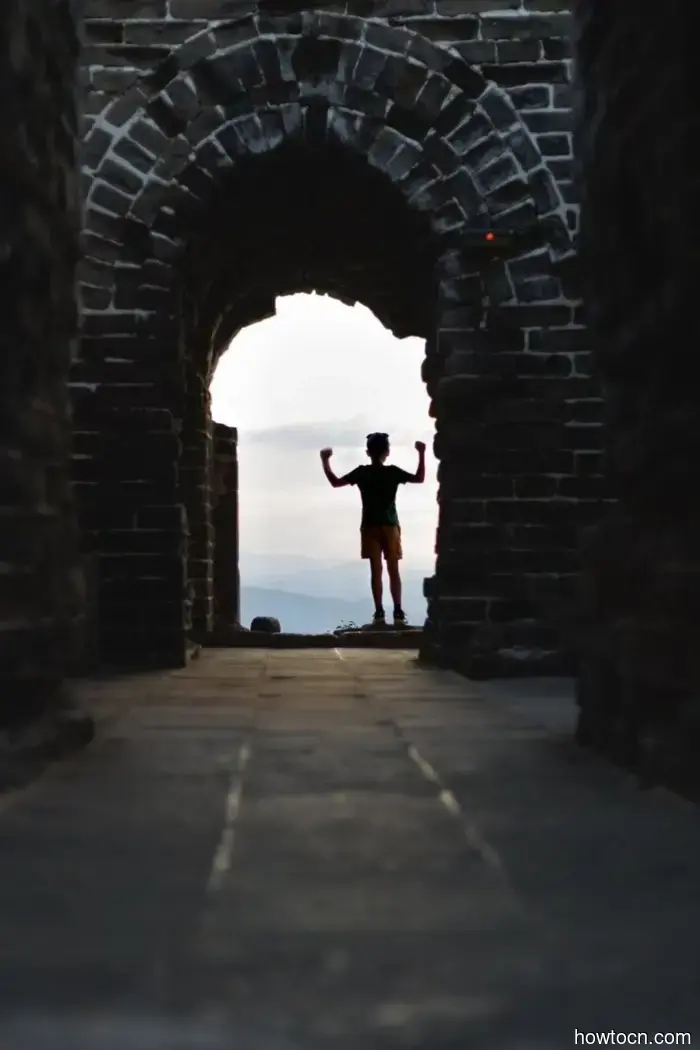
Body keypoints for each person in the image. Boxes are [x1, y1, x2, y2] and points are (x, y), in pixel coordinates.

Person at [320, 433, 426, 626]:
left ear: (367, 452)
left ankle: (379, 612)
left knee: (375, 570)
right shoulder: (392, 472)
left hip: (369, 526)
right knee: (393, 570)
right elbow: (419, 478)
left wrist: (325, 461)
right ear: (387, 452)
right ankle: (398, 612)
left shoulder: (362, 473)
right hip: (390, 525)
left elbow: (335, 483)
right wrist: (421, 453)